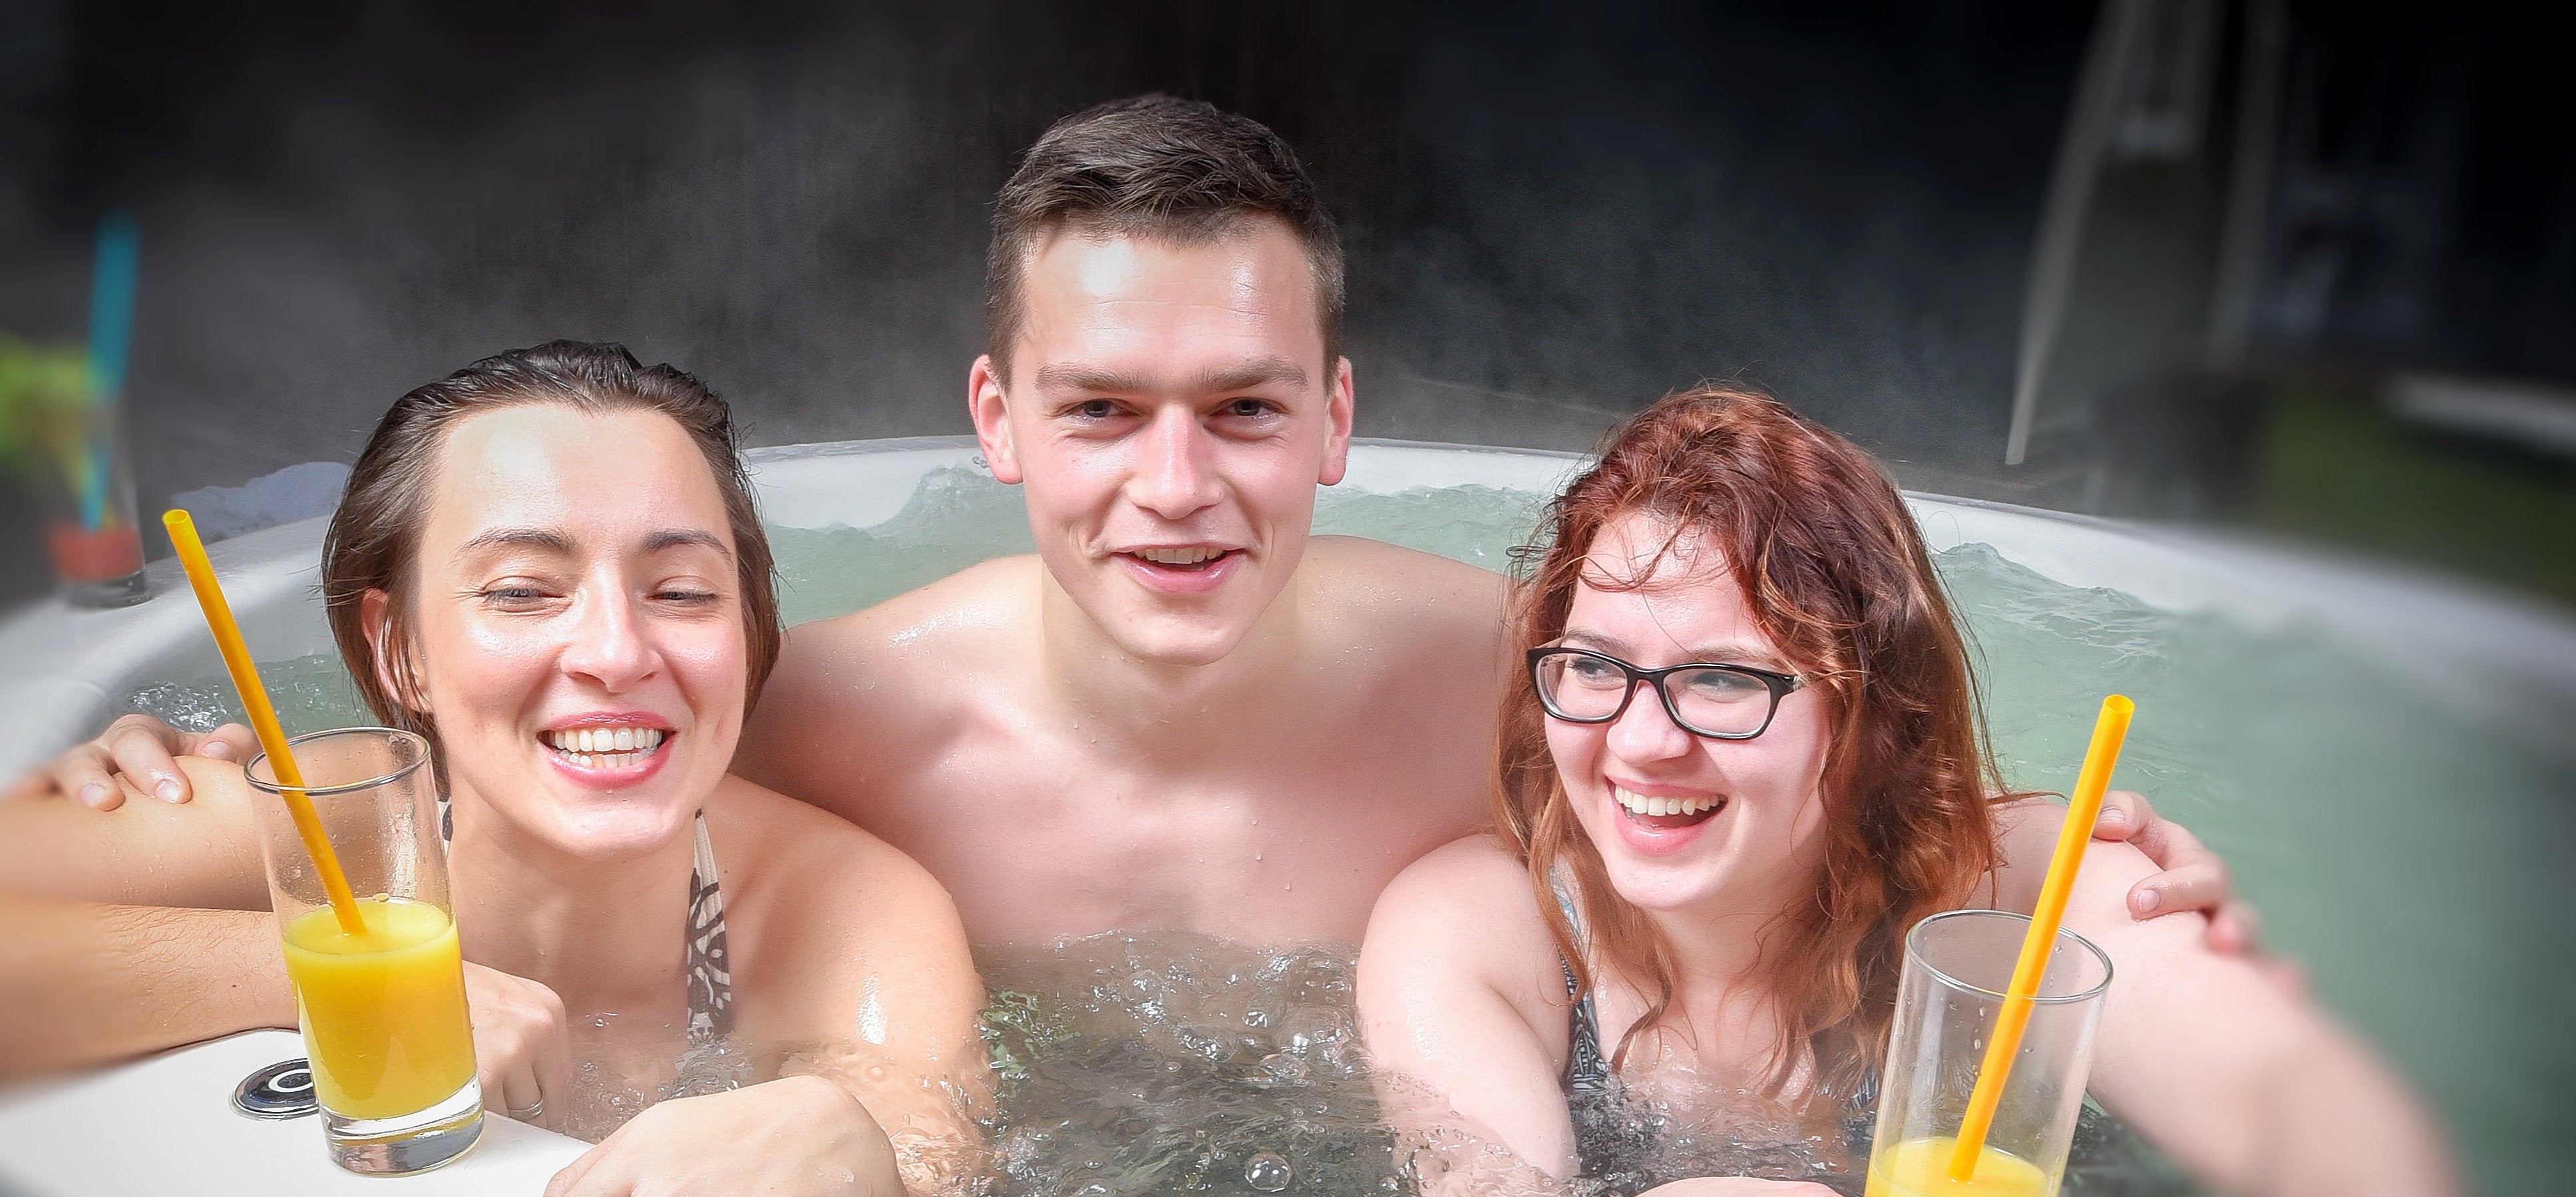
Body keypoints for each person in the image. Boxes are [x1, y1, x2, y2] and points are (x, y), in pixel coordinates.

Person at [29, 97, 2245, 955]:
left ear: (1337, 423)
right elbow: (506, 787)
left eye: (1239, 412)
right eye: (1100, 412)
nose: (1171, 491)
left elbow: (1816, 803)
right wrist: (197, 773)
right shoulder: (817, 721)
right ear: (994, 418)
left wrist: (2053, 837)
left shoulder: (1507, 680)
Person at [1354, 386, 2554, 1197]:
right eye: (1592, 668)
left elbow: (2282, 1092)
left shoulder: (2020, 893)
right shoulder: (1478, 928)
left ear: (1868, 718)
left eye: (1724, 680)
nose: (1641, 742)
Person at [0, 342, 988, 1197]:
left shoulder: (853, 913)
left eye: (682, 589)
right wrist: (325, 972)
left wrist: (831, 1127)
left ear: (749, 632)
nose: (617, 649)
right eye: (523, 591)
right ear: (397, 652)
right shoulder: (301, 830)